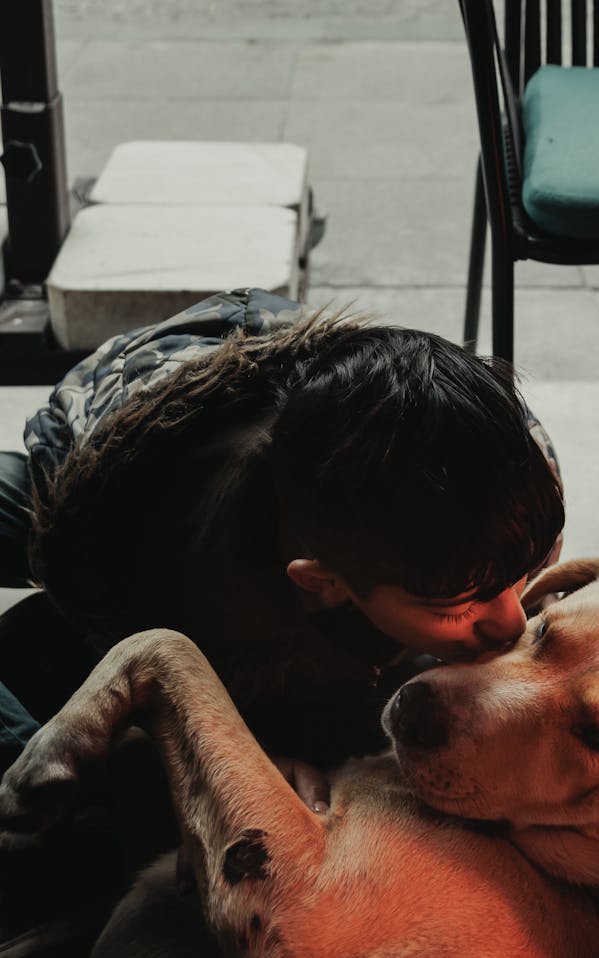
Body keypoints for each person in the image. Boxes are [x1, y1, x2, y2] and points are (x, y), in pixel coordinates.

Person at [0, 287, 564, 789]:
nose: (512, 623)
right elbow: (165, 690)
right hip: (109, 467)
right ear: (324, 583)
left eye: (517, 579)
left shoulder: (516, 473)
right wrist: (240, 757)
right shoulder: (178, 580)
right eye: (457, 609)